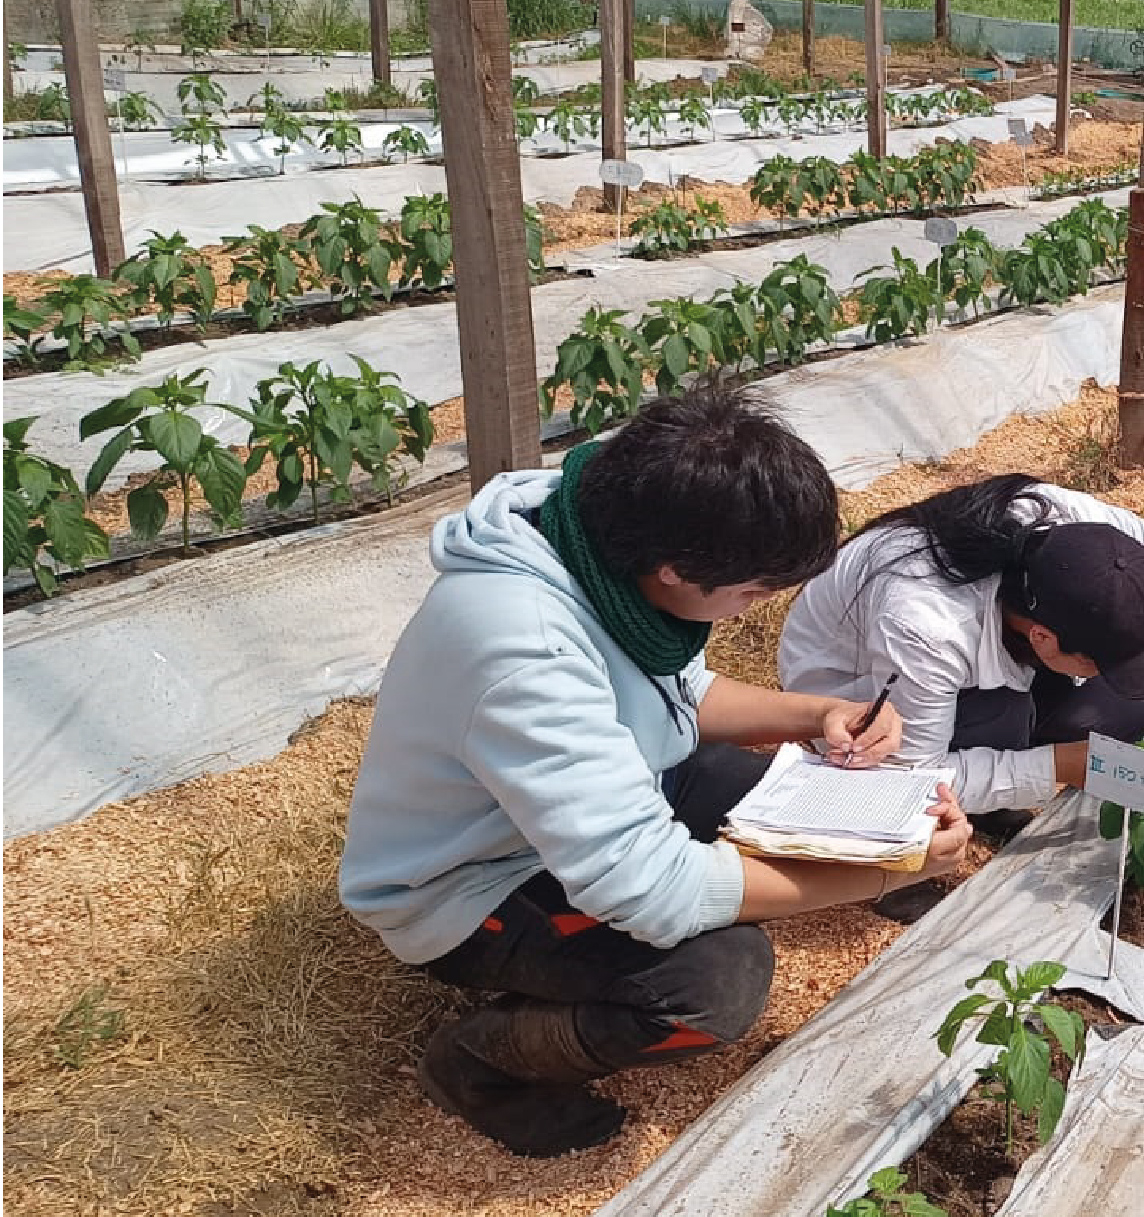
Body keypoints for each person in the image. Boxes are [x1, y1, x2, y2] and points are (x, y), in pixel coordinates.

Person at [337, 385, 972, 1159]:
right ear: (676, 571)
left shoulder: (600, 536)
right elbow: (650, 889)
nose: (753, 607)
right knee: (718, 978)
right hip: (475, 882)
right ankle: (479, 1063)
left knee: (778, 793)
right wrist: (882, 870)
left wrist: (816, 715)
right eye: (752, 592)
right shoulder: (522, 649)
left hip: (554, 813)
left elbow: (680, 695)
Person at [777, 475, 1144, 841]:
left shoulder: (1086, 538)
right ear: (1044, 638)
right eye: (1095, 661)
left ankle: (1005, 767)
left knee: (1127, 713)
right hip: (861, 696)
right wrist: (1057, 766)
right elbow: (910, 774)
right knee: (994, 727)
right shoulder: (927, 623)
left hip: (979, 649)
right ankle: (949, 836)